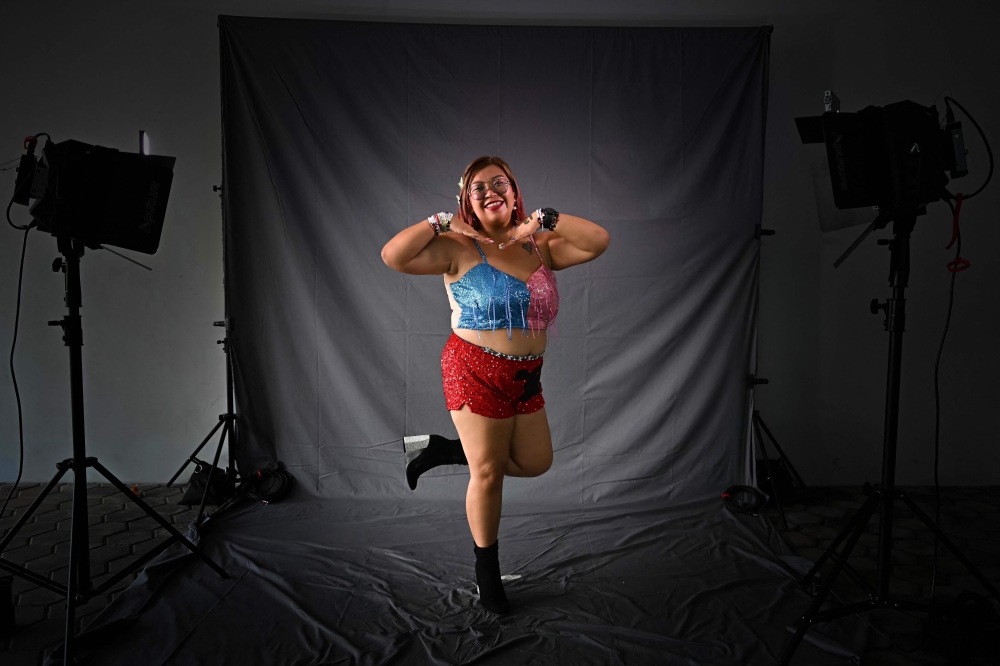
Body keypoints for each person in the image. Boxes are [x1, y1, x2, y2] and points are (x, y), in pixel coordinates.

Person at [380, 156, 610, 614]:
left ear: (514, 191)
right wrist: (441, 221)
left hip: (527, 375)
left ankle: (443, 450)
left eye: (498, 183)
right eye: (478, 187)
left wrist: (544, 220)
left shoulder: (541, 246)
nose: (490, 192)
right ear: (466, 201)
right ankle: (488, 577)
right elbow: (393, 256)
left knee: (536, 461)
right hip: (473, 368)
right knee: (487, 473)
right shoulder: (455, 247)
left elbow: (598, 241)